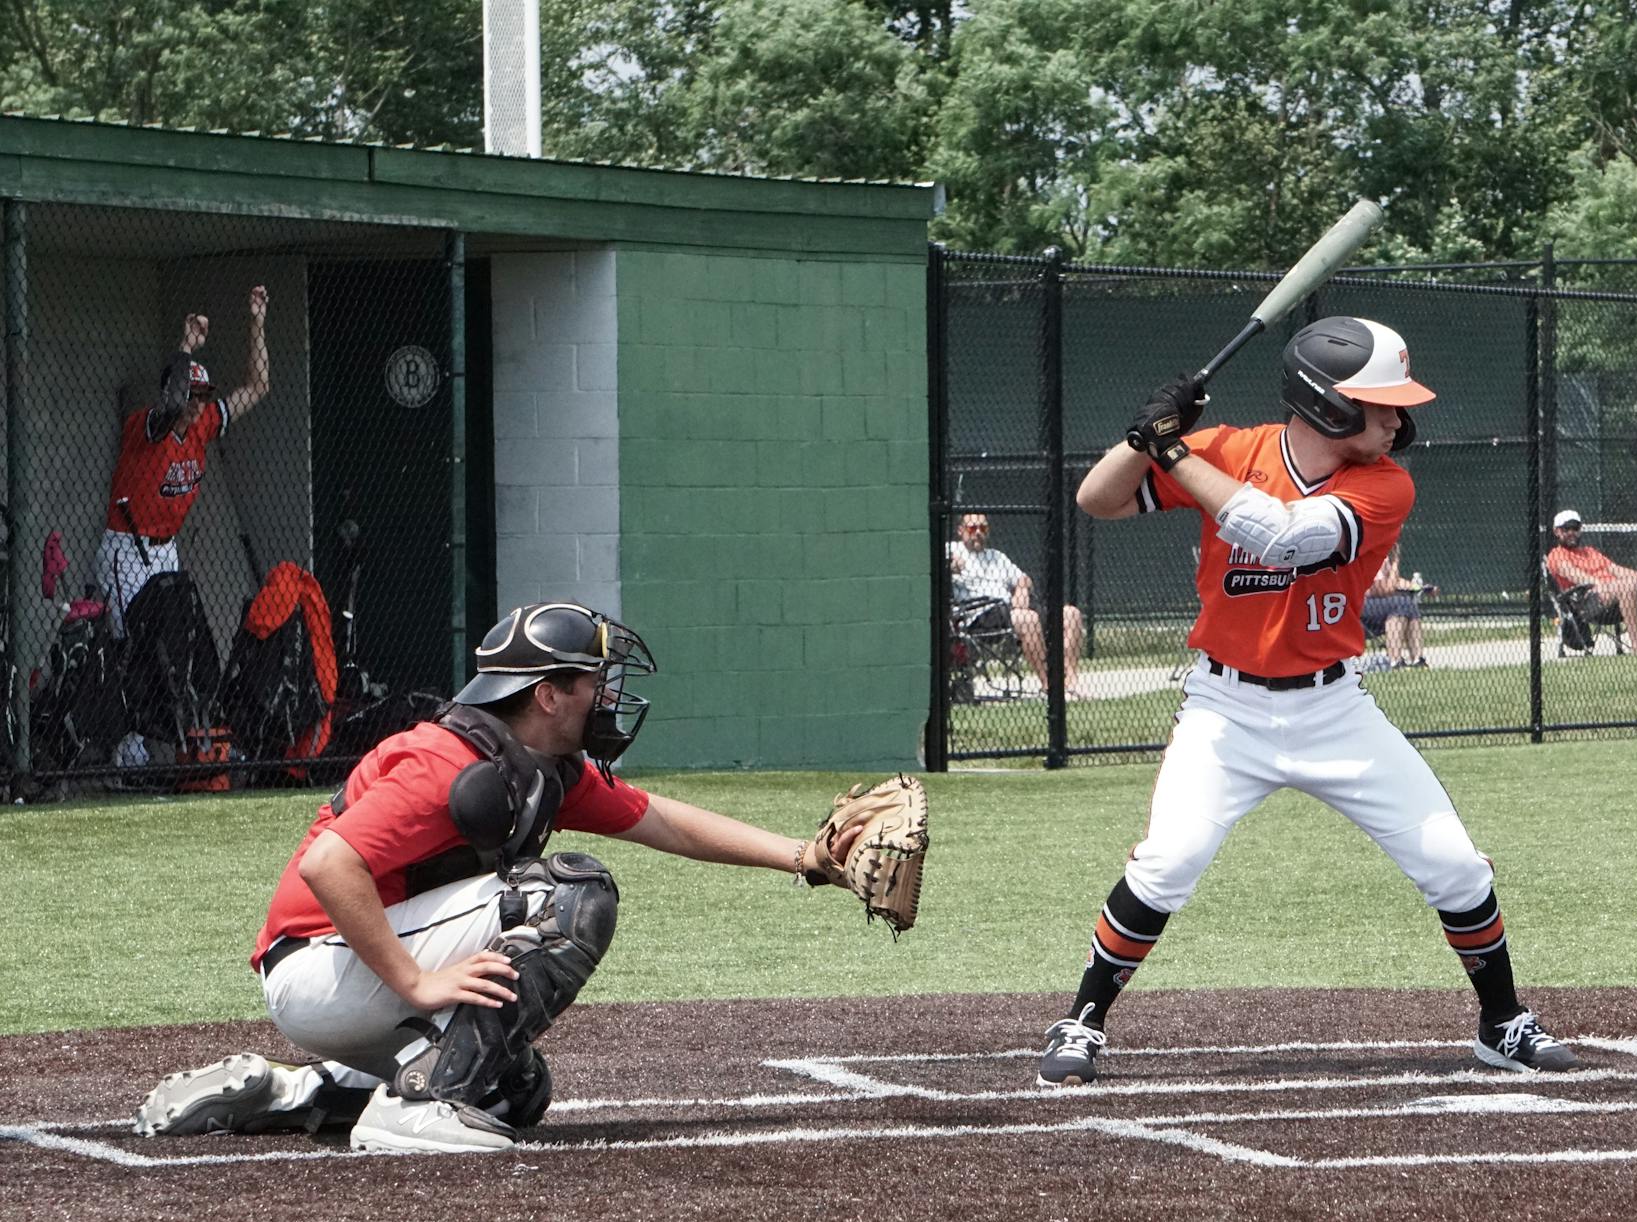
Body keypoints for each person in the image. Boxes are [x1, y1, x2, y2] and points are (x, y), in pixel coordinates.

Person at [1037, 315, 1579, 1087]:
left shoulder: (1384, 483)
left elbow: (1283, 537)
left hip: (1336, 711)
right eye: (1382, 403)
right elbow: (1097, 498)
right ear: (1328, 404)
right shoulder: (1229, 451)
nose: (1399, 419)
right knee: (1168, 862)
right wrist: (1140, 437)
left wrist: (1172, 449)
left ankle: (1502, 1022)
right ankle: (1082, 1018)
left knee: (1455, 865)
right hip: (1225, 710)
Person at [133, 601, 868, 1153]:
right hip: (319, 963)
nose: (606, 697)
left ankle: (308, 1087)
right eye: (592, 682)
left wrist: (804, 857)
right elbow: (328, 864)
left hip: (354, 974)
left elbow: (663, 821)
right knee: (575, 894)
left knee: (518, 1085)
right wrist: (417, 984)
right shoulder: (447, 762)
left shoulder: (538, 765)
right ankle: (419, 1104)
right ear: (547, 694)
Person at [97, 287, 271, 638]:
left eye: (203, 396)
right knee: (132, 644)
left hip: (167, 551)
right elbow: (173, 405)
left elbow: (258, 386)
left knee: (171, 648)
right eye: (191, 394)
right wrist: (186, 345)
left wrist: (257, 322)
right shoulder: (144, 426)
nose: (197, 403)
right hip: (127, 550)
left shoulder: (202, 426)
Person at [947, 511, 1088, 698]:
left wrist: (1021, 589)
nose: (978, 532)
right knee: (1026, 619)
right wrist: (949, 564)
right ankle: (1049, 684)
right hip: (980, 614)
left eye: (983, 528)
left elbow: (1023, 578)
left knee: (1071, 614)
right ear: (960, 530)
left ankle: (1070, 682)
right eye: (972, 528)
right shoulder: (952, 549)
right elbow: (929, 563)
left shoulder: (996, 556)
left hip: (1011, 609)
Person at [1545, 510, 1637, 653]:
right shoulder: (1556, 555)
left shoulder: (1590, 552)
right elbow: (1578, 577)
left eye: (1575, 528)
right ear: (1556, 531)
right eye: (1567, 529)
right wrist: (1608, 584)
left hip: (1621, 593)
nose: (1572, 532)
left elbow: (1617, 570)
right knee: (1626, 586)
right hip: (1589, 601)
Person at [1361, 539, 1434, 668]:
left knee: (1409, 605)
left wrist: (1420, 588)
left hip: (1380, 606)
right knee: (1401, 603)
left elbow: (1396, 580)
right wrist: (1395, 560)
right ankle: (1395, 660)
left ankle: (1418, 659)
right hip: (1361, 607)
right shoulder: (1367, 553)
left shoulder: (1382, 556)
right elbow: (1386, 589)